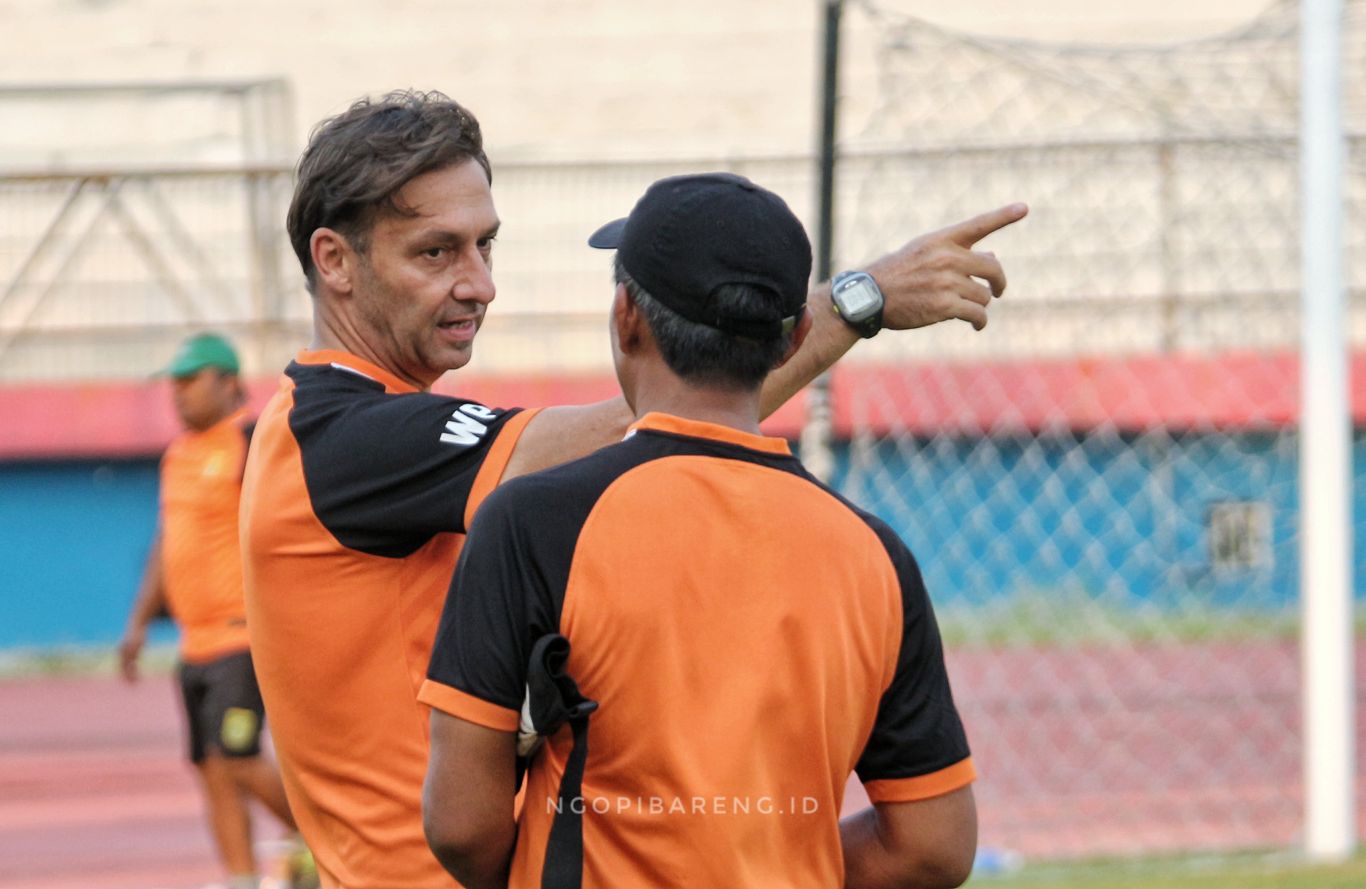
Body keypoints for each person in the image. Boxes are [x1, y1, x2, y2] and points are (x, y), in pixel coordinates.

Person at [239, 89, 1022, 889]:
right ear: (334, 260)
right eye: (436, 252)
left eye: (486, 246)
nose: (480, 284)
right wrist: (860, 300)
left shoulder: (363, 430)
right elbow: (648, 420)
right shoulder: (337, 435)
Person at [420, 172, 977, 889]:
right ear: (795, 338)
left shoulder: (532, 522)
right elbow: (934, 845)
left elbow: (461, 824)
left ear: (626, 316)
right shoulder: (874, 553)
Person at [119, 332, 308, 889]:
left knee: (240, 754)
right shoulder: (178, 455)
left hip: (242, 637)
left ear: (228, 383)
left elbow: (288, 526)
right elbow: (167, 539)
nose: (177, 395)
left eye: (189, 381)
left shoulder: (253, 441)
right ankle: (241, 878)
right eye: (172, 384)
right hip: (194, 643)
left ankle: (331, 841)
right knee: (213, 770)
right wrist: (136, 623)